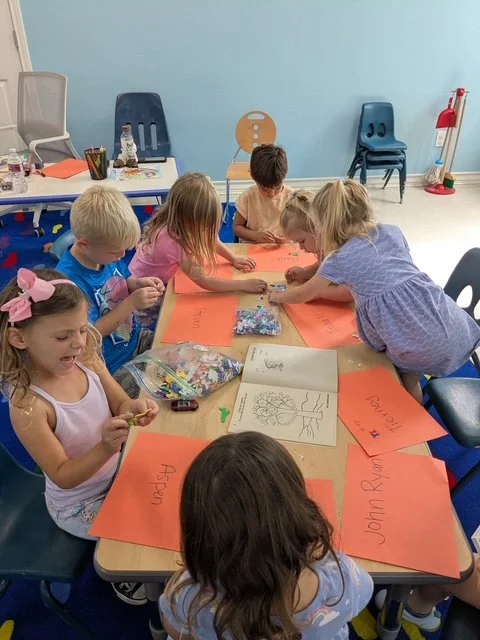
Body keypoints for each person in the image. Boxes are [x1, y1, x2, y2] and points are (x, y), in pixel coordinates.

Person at [0, 268, 159, 605]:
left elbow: (120, 402)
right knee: (147, 540)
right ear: (19, 338)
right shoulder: (29, 405)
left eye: (82, 330)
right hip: (80, 503)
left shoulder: (84, 356)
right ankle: (124, 578)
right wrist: (104, 447)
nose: (78, 342)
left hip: (117, 467)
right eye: (62, 337)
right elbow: (63, 476)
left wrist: (136, 407)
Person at [270, 180, 480, 402]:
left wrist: (278, 296)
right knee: (409, 372)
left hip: (421, 342)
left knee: (404, 380)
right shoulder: (392, 231)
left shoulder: (340, 259)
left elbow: (304, 294)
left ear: (324, 225)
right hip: (448, 321)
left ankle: (410, 419)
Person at [159, 431, 373, 639]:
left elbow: (174, 628)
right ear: (295, 510)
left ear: (200, 536)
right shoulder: (340, 580)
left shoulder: (190, 597)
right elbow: (365, 591)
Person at [58, 185, 164, 394]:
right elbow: (90, 336)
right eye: (116, 252)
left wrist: (139, 283)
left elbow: (124, 280)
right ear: (83, 244)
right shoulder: (69, 283)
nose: (121, 255)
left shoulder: (104, 256)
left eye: (125, 250)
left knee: (179, 357)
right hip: (110, 365)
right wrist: (131, 304)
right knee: (155, 397)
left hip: (135, 339)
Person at [129, 173, 268, 310]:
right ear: (189, 220)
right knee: (160, 318)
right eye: (205, 225)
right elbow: (204, 281)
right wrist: (242, 285)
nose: (207, 229)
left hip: (163, 275)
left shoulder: (178, 219)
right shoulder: (170, 242)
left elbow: (210, 238)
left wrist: (233, 258)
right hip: (144, 286)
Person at [233, 144, 294, 243]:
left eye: (277, 188)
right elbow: (237, 227)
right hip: (252, 248)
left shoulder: (292, 197)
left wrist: (287, 239)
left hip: (281, 252)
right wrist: (255, 236)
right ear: (253, 177)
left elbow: (301, 229)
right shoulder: (247, 197)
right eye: (264, 189)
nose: (271, 194)